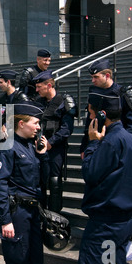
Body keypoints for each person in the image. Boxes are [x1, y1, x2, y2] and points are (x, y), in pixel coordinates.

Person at [76, 86, 132, 264]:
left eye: (91, 113)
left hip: (105, 225)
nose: (90, 118)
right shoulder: (131, 139)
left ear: (101, 114)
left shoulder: (110, 141)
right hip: (122, 221)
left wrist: (92, 143)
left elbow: (90, 173)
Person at [0, 102, 49, 264]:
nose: (38, 127)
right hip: (18, 212)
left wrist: (43, 156)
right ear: (21, 124)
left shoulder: (32, 146)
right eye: (35, 123)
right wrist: (5, 220)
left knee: (36, 261)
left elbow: (43, 179)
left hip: (33, 211)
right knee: (18, 263)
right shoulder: (7, 146)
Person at [80, 59, 132, 157]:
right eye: (92, 77)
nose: (93, 80)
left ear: (107, 76)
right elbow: (90, 122)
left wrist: (123, 145)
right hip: (98, 145)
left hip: (118, 145)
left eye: (96, 77)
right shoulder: (95, 94)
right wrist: (85, 146)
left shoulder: (124, 94)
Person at [34, 70, 77, 212]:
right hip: (38, 147)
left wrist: (51, 142)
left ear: (50, 85)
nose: (37, 89)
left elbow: (66, 129)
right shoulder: (38, 102)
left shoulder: (62, 102)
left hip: (55, 148)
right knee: (39, 181)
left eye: (40, 86)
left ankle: (54, 216)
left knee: (54, 181)